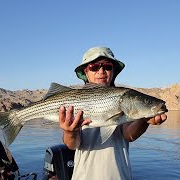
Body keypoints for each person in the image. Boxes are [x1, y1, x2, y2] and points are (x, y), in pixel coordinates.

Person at [59, 47, 167, 180]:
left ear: (113, 71)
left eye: (107, 66)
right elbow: (72, 145)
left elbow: (129, 135)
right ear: (86, 72)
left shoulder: (124, 99)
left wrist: (144, 121)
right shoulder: (74, 101)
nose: (101, 71)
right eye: (94, 67)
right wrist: (70, 132)